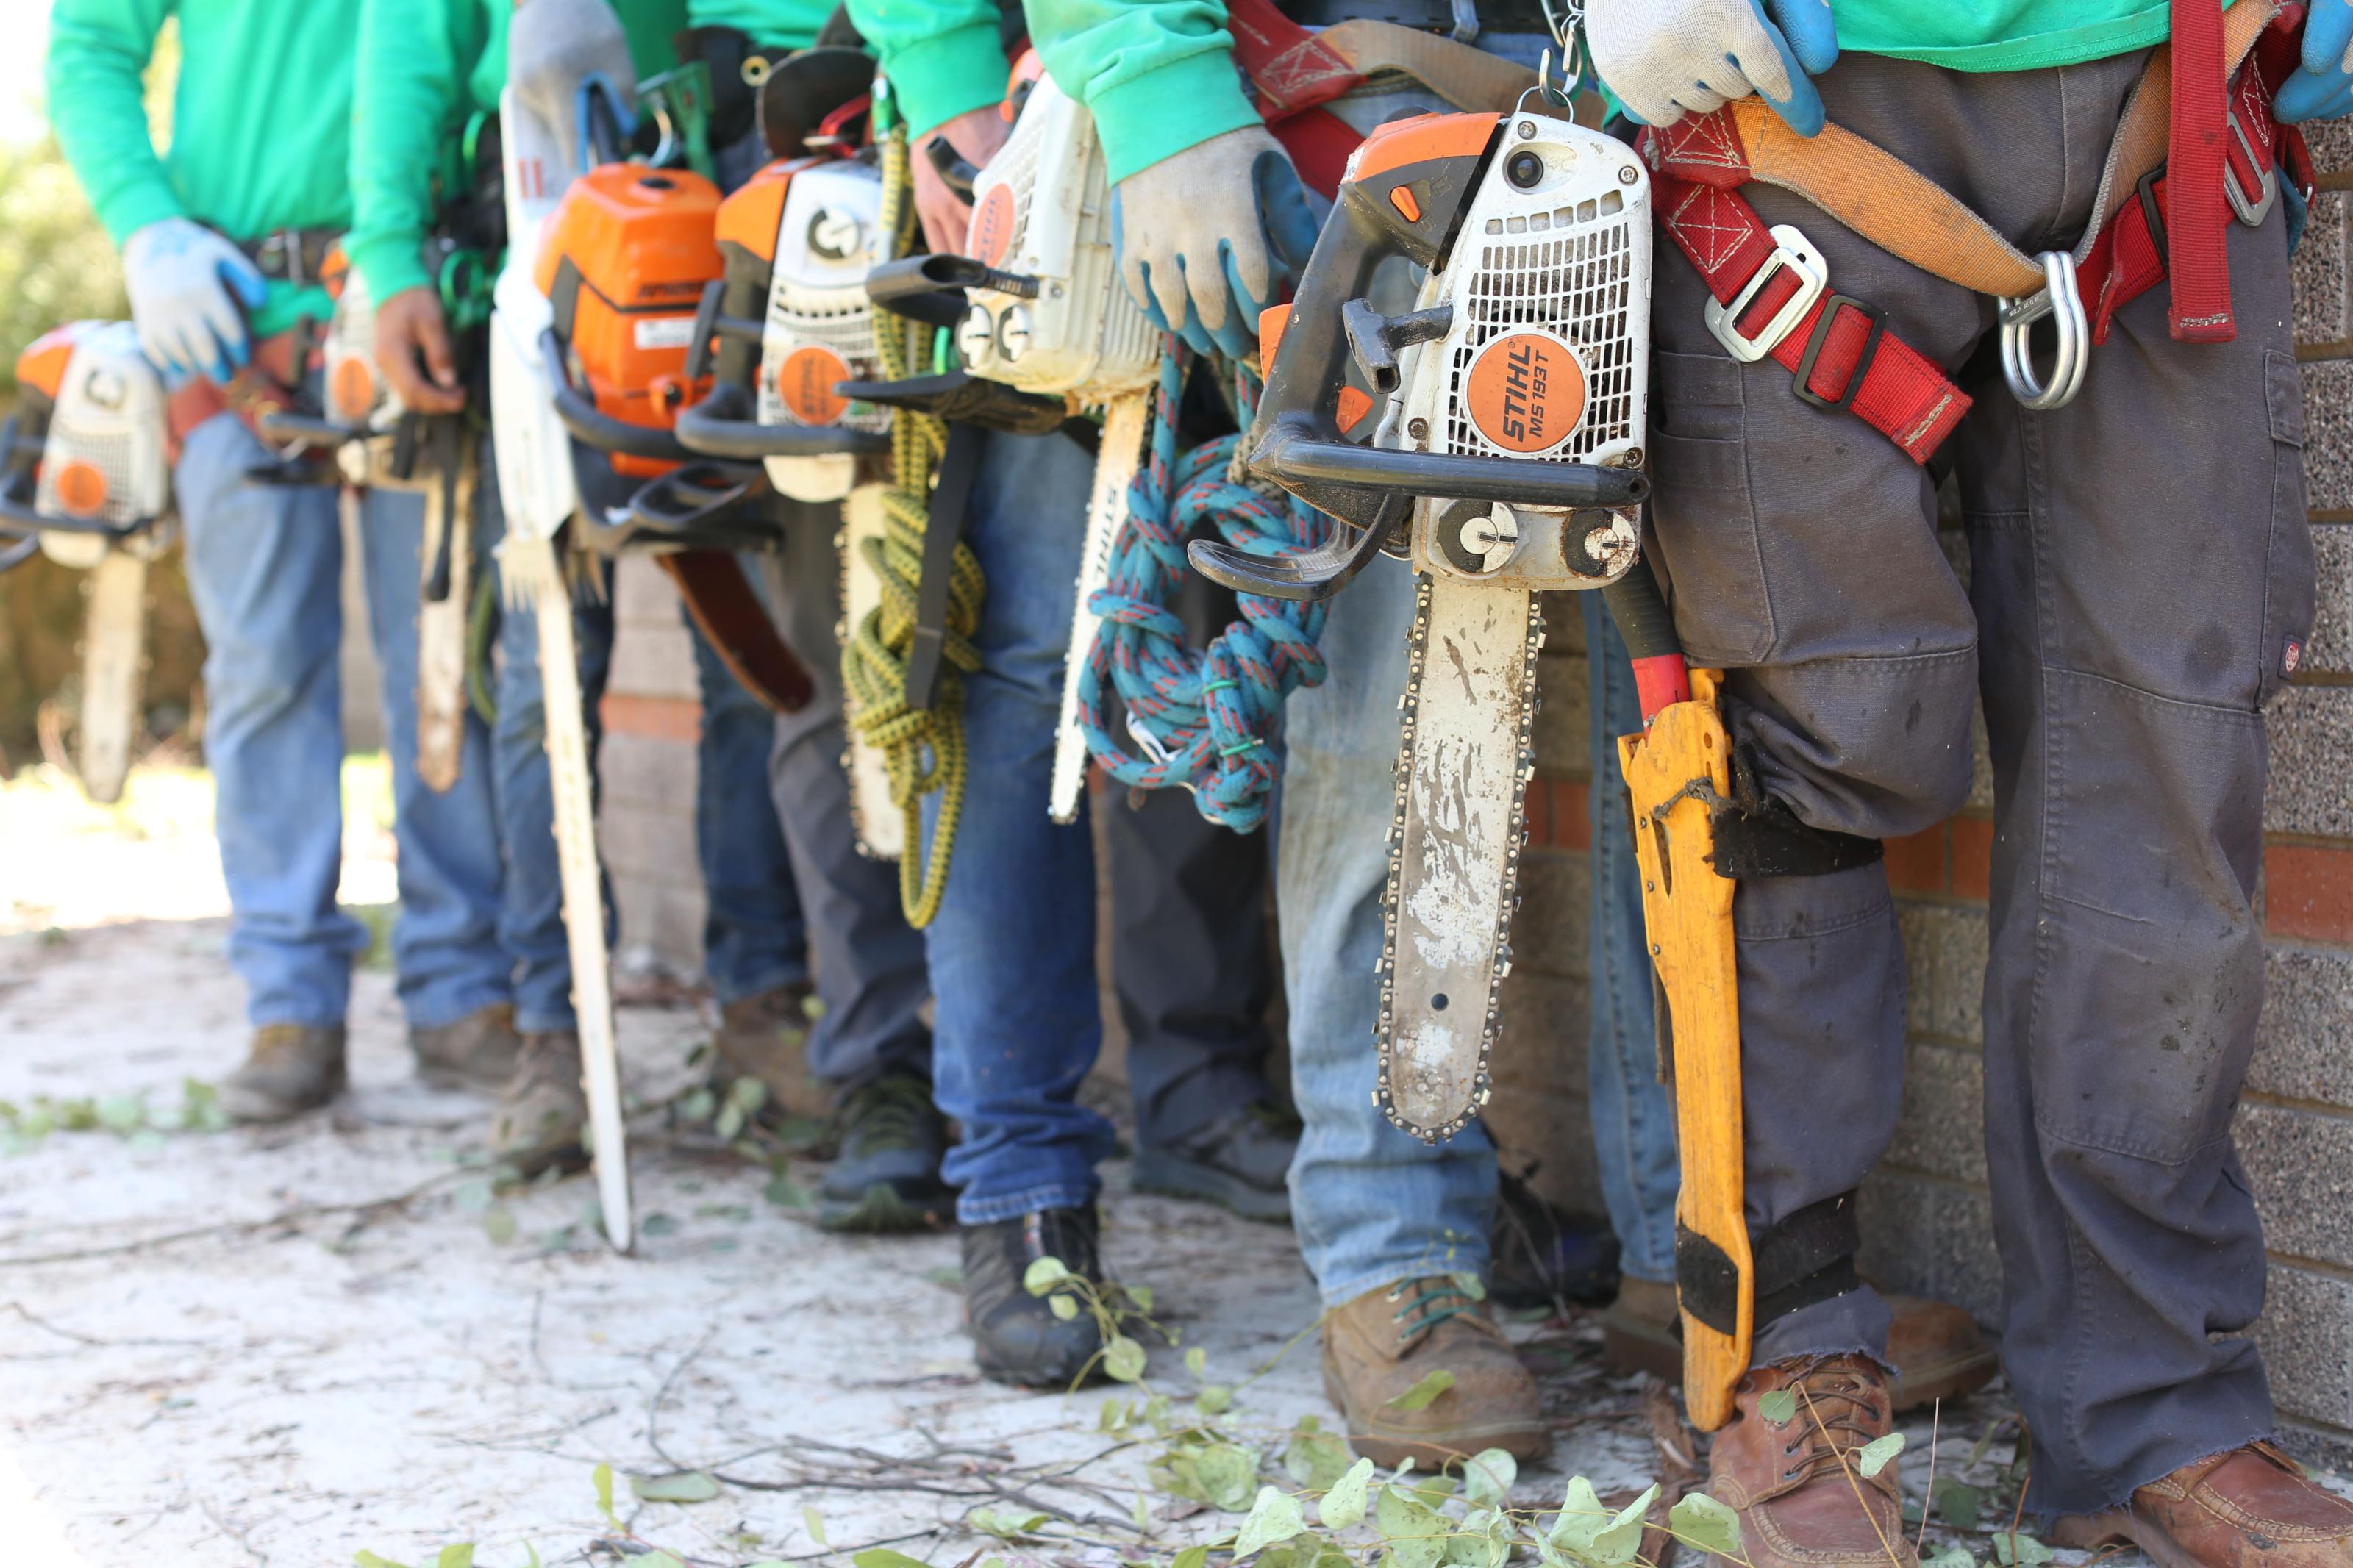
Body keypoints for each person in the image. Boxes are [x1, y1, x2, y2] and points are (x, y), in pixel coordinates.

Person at [1577, 2, 2353, 1566]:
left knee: (2165, 752)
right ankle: (1783, 1363)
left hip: (2168, 88)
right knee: (1797, 754)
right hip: (1790, 89)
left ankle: (2154, 1409)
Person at [45, 0, 525, 1120]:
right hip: (228, 323)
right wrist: (144, 228)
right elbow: (86, 52)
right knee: (264, 671)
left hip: (418, 292)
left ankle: (462, 995)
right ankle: (290, 1003)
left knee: (445, 663)